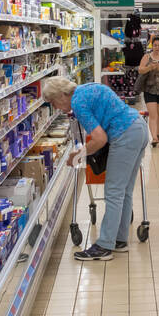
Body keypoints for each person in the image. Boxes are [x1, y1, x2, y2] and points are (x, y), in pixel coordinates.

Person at [43, 76, 148, 261]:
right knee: (125, 191)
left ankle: (104, 246)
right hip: (138, 127)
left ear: (61, 95)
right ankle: (119, 240)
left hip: (124, 135)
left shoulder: (78, 103)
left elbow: (100, 139)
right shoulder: (86, 88)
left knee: (114, 191)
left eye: (54, 102)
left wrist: (78, 155)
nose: (57, 108)